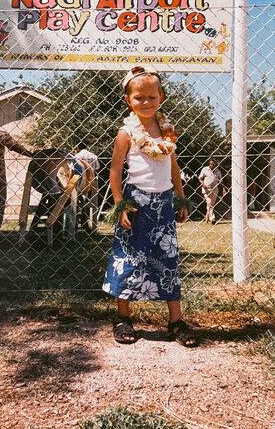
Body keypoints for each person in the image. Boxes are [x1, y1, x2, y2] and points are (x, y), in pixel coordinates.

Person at [102, 66, 197, 347]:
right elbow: (115, 170)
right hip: (137, 203)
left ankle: (176, 322)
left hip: (164, 202)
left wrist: (180, 198)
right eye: (139, 97)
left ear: (161, 97)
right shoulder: (126, 133)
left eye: (151, 97)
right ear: (128, 100)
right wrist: (120, 205)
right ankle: (123, 317)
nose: (146, 102)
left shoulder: (167, 133)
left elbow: (174, 167)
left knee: (168, 261)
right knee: (129, 259)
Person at [198, 159, 224, 224]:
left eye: (213, 164)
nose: (212, 165)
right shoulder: (205, 169)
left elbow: (221, 181)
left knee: (211, 204)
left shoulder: (218, 171)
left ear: (215, 165)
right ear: (209, 164)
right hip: (206, 189)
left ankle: (207, 217)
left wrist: (223, 189)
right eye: (211, 164)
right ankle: (212, 218)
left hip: (215, 189)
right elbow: (200, 178)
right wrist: (203, 184)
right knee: (209, 202)